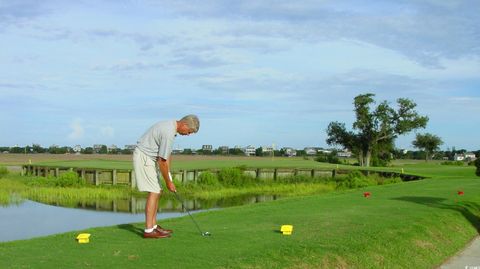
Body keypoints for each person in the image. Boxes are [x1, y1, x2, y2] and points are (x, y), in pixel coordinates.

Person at [133, 115, 200, 239]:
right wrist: (168, 182)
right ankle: (148, 230)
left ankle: (153, 226)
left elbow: (167, 155)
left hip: (149, 158)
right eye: (189, 132)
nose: (188, 134)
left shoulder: (171, 128)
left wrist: (169, 176)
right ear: (185, 125)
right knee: (154, 191)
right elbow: (162, 161)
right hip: (144, 157)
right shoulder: (168, 132)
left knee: (158, 191)